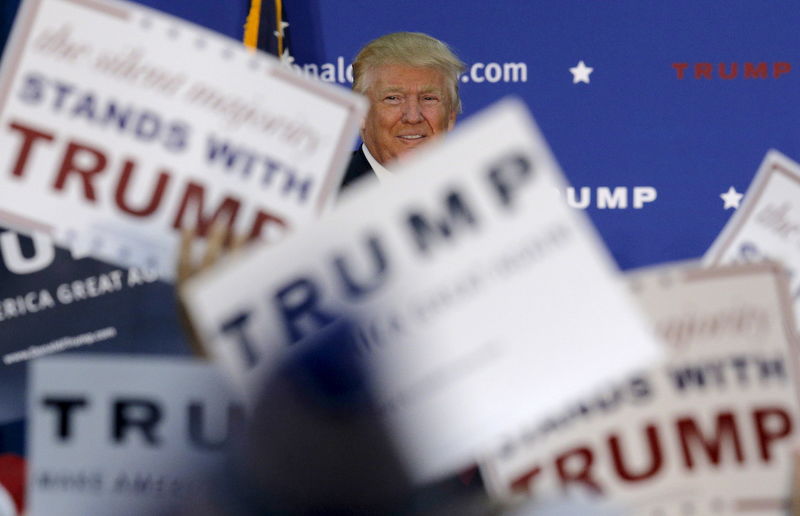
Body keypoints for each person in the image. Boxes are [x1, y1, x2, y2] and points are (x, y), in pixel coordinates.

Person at [340, 32, 466, 189]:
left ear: (451, 115)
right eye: (393, 99)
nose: (413, 117)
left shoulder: (479, 191)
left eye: (428, 99)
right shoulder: (319, 195)